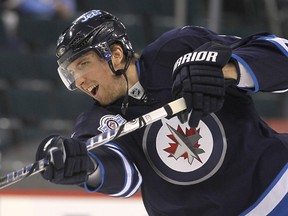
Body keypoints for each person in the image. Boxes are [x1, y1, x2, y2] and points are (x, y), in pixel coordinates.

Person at [35, 9, 288, 215]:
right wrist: (83, 166)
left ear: (115, 54)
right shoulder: (96, 122)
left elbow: (280, 56)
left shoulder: (178, 48)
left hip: (279, 187)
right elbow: (123, 176)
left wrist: (227, 70)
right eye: (71, 73)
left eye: (83, 64)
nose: (78, 80)